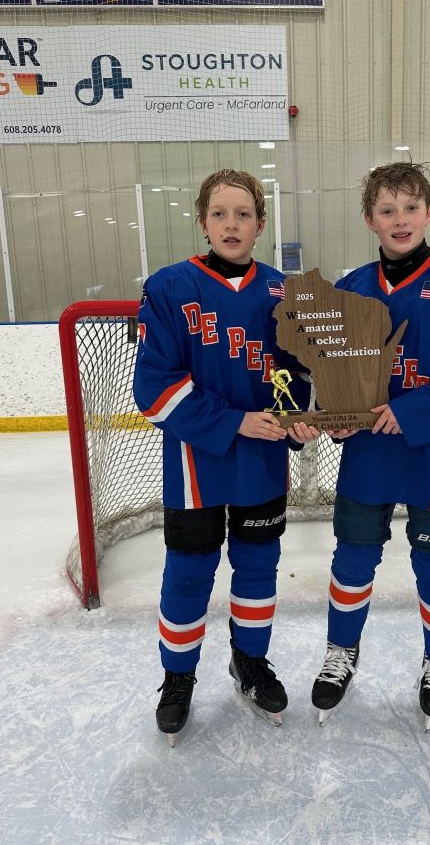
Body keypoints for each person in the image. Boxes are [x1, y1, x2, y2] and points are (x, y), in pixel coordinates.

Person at [310, 162, 430, 728]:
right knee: (352, 560)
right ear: (369, 219)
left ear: (428, 212)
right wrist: (337, 417)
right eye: (387, 210)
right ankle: (340, 652)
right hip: (368, 456)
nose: (401, 220)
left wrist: (411, 411)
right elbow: (333, 373)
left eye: (411, 207)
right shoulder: (348, 291)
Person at [133, 168, 312, 744]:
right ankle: (178, 677)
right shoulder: (167, 288)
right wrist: (236, 421)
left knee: (257, 570)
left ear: (260, 224)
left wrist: (302, 416)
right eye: (219, 214)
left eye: (242, 215)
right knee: (188, 573)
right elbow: (155, 389)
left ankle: (249, 663)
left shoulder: (286, 293)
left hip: (263, 463)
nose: (230, 225)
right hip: (195, 466)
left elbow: (303, 373)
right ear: (202, 220)